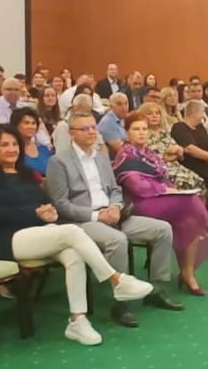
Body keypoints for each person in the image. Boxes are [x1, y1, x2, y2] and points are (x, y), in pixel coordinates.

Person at [0, 125, 153, 345]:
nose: (12, 149)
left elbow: (43, 203)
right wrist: (33, 213)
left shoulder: (25, 174)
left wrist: (49, 213)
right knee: (72, 231)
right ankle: (116, 279)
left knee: (73, 255)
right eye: (4, 145)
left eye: (14, 144)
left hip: (36, 233)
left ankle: (77, 320)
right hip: (3, 239)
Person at [44, 110, 179, 327]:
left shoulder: (101, 156)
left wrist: (116, 207)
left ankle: (156, 289)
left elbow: (115, 189)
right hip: (83, 221)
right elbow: (61, 204)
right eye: (84, 128)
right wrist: (97, 215)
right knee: (117, 240)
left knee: (163, 229)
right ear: (71, 133)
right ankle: (120, 303)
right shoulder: (59, 161)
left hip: (113, 214)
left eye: (93, 127)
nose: (91, 132)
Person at [115, 112, 208, 295]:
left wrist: (170, 188)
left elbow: (164, 177)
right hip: (139, 205)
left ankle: (188, 273)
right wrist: (166, 190)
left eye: (144, 129)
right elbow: (138, 187)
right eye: (136, 129)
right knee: (191, 201)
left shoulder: (149, 153)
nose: (142, 133)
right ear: (127, 132)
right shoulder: (125, 155)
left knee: (190, 220)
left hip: (159, 200)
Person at [170, 99, 208, 200]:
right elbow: (189, 149)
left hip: (206, 161)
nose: (203, 115)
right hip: (191, 162)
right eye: (202, 112)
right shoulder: (179, 127)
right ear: (194, 112)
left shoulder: (200, 127)